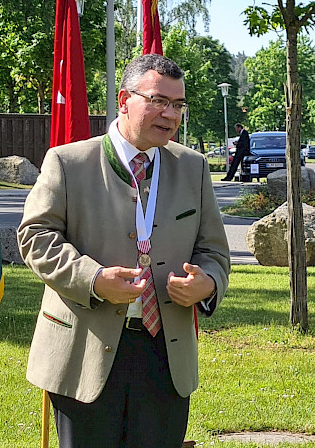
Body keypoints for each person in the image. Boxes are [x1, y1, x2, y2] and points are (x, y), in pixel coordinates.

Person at [17, 54, 230, 447]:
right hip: (85, 351)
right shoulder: (68, 162)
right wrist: (94, 280)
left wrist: (208, 284)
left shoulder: (193, 167)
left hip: (165, 355)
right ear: (123, 99)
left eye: (178, 104)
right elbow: (35, 237)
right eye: (158, 101)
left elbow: (214, 252)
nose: (170, 114)